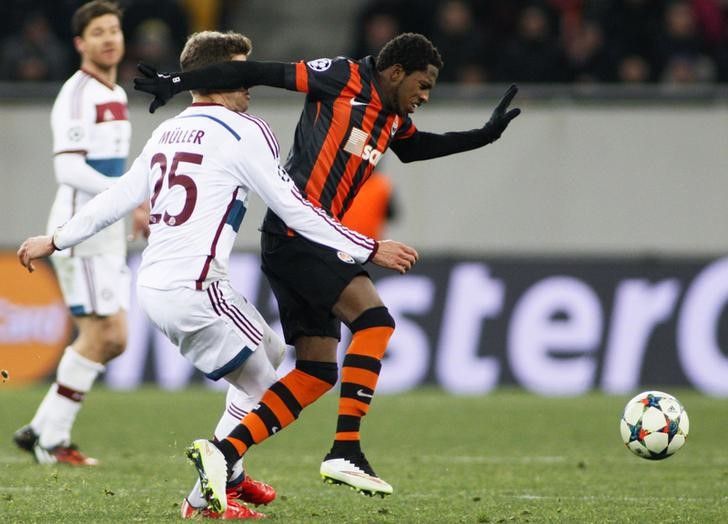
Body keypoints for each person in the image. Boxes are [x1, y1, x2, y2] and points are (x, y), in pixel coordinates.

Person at [17, 29, 417, 518]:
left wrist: (54, 238)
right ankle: (210, 491)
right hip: (196, 288)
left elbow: (119, 196)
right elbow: (294, 207)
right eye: (240, 71)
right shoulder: (245, 130)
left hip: (160, 284)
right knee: (273, 391)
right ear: (217, 74)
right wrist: (369, 246)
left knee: (269, 352)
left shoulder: (167, 130)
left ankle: (229, 474)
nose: (249, 84)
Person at [134, 31, 519, 499]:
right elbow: (255, 72)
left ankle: (224, 452)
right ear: (395, 72)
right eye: (422, 85)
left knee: (317, 371)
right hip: (301, 232)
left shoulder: (392, 120)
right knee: (375, 321)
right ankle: (345, 449)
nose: (423, 96)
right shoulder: (342, 77)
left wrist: (484, 136)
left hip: (299, 241)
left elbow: (418, 148)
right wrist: (177, 81)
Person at [11, 0, 150, 467]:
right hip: (80, 230)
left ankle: (43, 430)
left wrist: (126, 206)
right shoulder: (77, 93)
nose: (109, 38)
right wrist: (127, 195)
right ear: (79, 43)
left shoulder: (111, 92)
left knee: (111, 337)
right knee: (106, 334)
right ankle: (50, 438)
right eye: (98, 32)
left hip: (105, 226)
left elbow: (105, 166)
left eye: (114, 30)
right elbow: (69, 166)